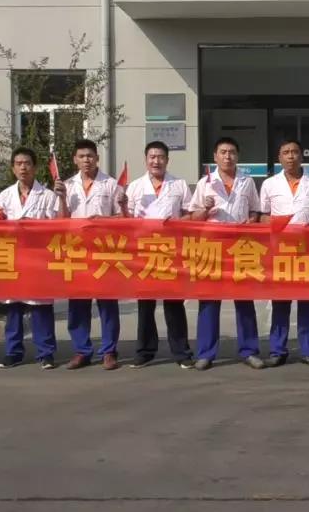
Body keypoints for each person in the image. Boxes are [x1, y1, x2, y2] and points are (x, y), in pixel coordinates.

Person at [187, 137, 263, 371]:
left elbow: (255, 211)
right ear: (215, 156)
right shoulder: (205, 183)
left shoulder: (247, 182)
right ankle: (206, 353)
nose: (227, 156)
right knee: (209, 301)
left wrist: (252, 220)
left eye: (231, 152)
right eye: (223, 152)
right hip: (212, 247)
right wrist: (206, 208)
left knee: (244, 301)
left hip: (240, 247)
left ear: (237, 156)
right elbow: (193, 218)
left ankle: (249, 350)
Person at [55, 139, 128, 371]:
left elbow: (123, 219)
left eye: (90, 156)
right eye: (81, 156)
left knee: (107, 304)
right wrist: (61, 198)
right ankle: (82, 351)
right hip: (77, 251)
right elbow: (60, 221)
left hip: (104, 250)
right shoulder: (67, 185)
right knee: (78, 303)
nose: (86, 160)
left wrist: (102, 220)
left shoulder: (111, 184)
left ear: (97, 158)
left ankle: (109, 351)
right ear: (75, 160)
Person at [126, 141, 195, 370]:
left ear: (167, 160)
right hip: (144, 251)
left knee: (174, 304)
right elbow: (127, 219)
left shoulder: (179, 185)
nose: (156, 161)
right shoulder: (135, 187)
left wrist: (175, 223)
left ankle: (182, 352)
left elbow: (190, 215)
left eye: (161, 157)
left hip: (171, 251)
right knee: (145, 305)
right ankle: (145, 352)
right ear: (146, 159)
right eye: (152, 157)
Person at [259, 139, 309, 367]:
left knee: (307, 302)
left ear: (301, 156)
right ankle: (278, 349)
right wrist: (275, 222)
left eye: (294, 152)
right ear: (279, 157)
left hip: (308, 250)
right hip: (280, 251)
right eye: (285, 152)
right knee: (280, 302)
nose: (290, 156)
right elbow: (261, 215)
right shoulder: (270, 184)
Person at [0, 147, 60, 370]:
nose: (23, 167)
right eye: (19, 164)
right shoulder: (4, 196)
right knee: (13, 307)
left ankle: (46, 353)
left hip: (38, 258)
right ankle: (13, 352)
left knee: (40, 307)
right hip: (12, 257)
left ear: (35, 167)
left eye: (27, 163)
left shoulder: (48, 196)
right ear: (13, 168)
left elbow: (57, 227)